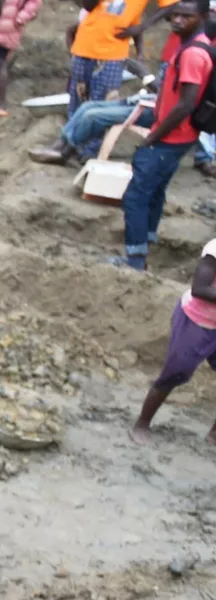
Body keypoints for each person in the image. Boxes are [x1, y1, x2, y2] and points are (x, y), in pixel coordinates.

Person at [119, 0, 207, 271]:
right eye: (175, 15)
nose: (178, 21)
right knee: (154, 191)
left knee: (135, 197)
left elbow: (186, 103)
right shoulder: (193, 46)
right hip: (179, 136)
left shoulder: (192, 53)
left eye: (186, 17)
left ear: (202, 18)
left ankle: (135, 261)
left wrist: (154, 135)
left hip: (170, 138)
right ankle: (145, 245)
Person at [131, 239, 216, 443]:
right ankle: (142, 424)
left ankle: (214, 434)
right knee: (176, 372)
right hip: (197, 321)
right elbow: (200, 288)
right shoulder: (214, 251)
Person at [0, 0, 43, 118]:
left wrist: (21, 18)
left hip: (9, 24)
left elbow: (34, 3)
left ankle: (1, 105)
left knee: (0, 62)